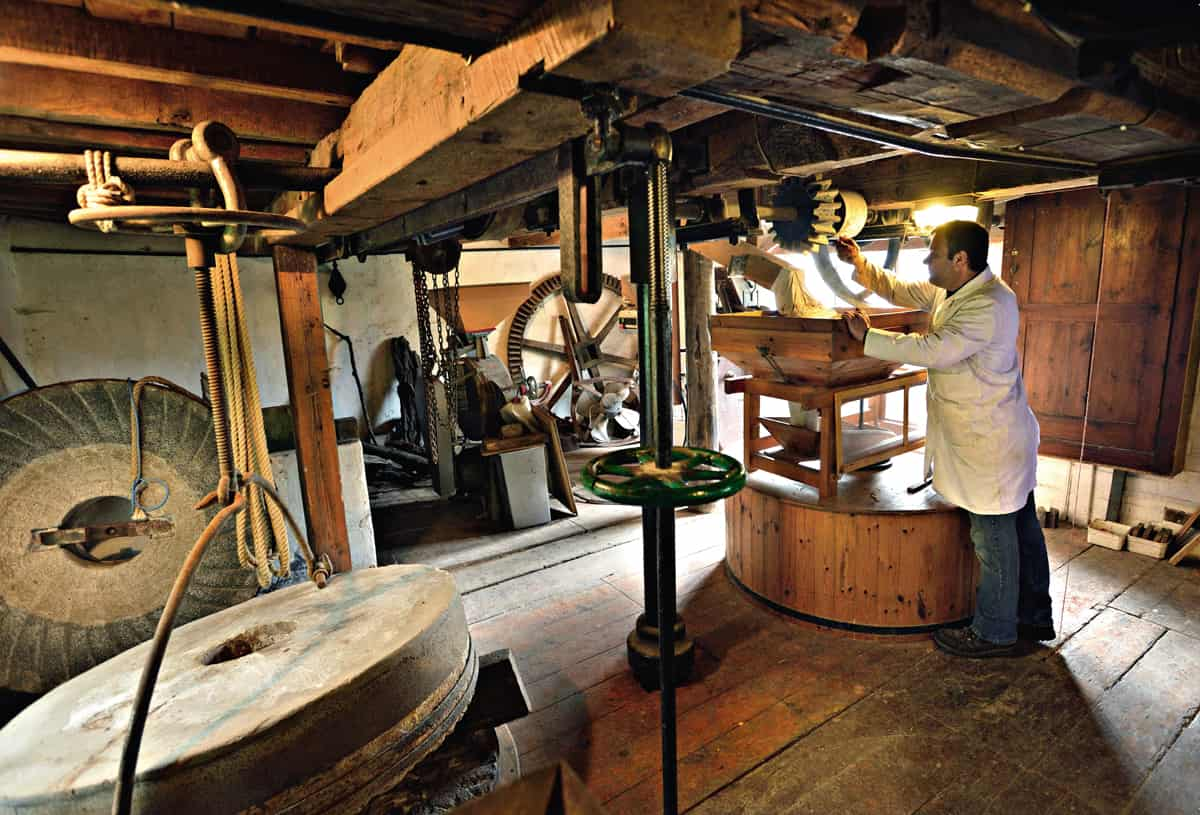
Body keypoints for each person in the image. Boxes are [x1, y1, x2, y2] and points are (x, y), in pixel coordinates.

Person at [835, 222, 1053, 658]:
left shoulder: (989, 304)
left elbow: (936, 349)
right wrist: (859, 263)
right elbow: (901, 290)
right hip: (995, 436)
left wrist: (869, 337)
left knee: (995, 540)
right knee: (1022, 529)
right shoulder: (954, 290)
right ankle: (1033, 616)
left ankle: (994, 632)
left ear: (959, 260)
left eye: (932, 253)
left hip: (991, 441)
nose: (925, 260)